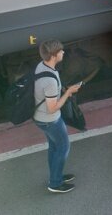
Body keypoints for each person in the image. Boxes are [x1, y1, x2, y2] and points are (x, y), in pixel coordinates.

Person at [33, 39, 81, 193]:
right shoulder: (50, 81)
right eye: (61, 51)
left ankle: (55, 175)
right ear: (53, 55)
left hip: (40, 118)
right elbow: (53, 108)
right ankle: (55, 183)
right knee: (63, 147)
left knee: (54, 147)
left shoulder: (42, 66)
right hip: (50, 120)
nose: (63, 52)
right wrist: (68, 92)